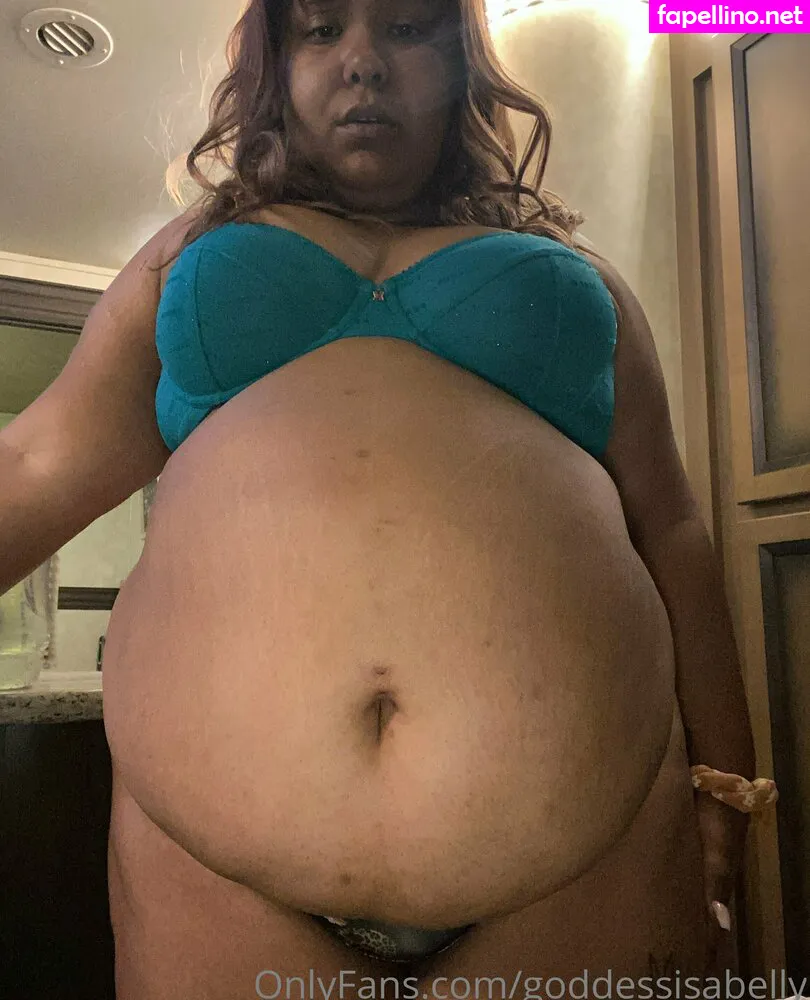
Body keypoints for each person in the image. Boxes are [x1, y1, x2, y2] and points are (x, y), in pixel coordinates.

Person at [0, 0, 772, 994]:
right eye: (320, 30)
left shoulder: (571, 273)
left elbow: (671, 527)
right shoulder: (191, 254)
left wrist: (728, 784)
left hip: (590, 864)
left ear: (461, 60)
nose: (362, 60)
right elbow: (34, 465)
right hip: (216, 882)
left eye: (407, 27)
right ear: (278, 63)